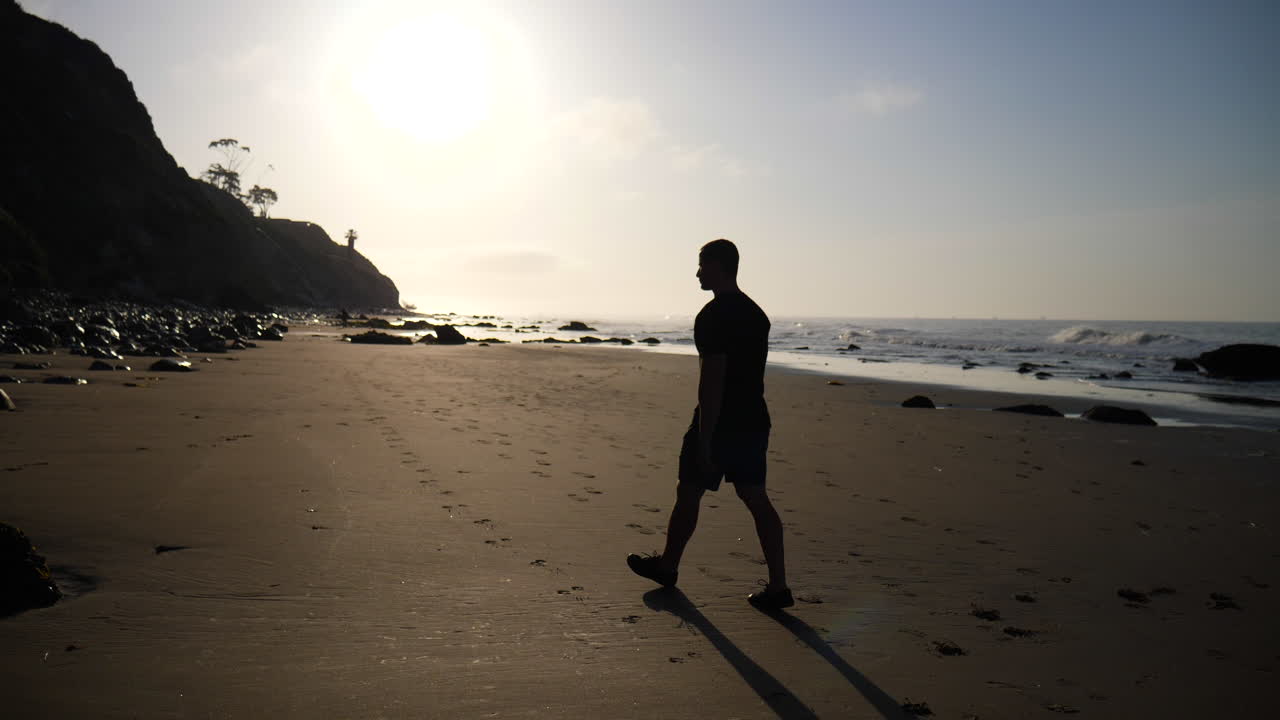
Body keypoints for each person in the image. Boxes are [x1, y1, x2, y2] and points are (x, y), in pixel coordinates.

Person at [627, 239, 792, 610]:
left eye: (702, 265)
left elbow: (712, 380)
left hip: (721, 424)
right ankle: (779, 586)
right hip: (753, 420)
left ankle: (668, 566)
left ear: (719, 266)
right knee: (756, 499)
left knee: (689, 490)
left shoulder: (713, 315)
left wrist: (705, 439)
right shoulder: (756, 314)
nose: (698, 272)